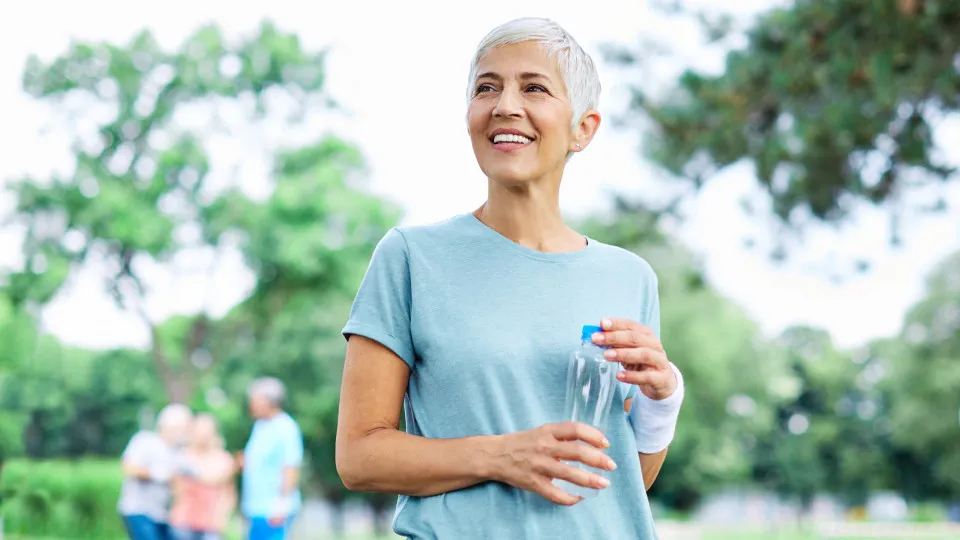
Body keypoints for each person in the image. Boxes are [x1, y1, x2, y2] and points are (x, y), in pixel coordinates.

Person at [335, 17, 686, 539]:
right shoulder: (412, 257)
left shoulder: (630, 278)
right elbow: (360, 457)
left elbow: (615, 483)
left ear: (583, 128)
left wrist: (664, 402)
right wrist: (503, 455)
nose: (504, 105)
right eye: (486, 87)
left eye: (534, 88)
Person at [238, 377, 303, 540]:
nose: (251, 405)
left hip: (273, 509)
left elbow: (291, 467)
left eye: (254, 400)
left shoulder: (285, 427)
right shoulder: (260, 425)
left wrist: (281, 504)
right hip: (256, 507)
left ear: (269, 401)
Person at [119, 403, 193, 540]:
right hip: (139, 510)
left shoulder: (178, 452)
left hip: (162, 515)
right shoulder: (145, 440)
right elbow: (128, 467)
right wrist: (156, 474)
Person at [169, 413, 237, 540]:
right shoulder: (182, 456)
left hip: (211, 524)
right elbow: (174, 487)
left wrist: (224, 516)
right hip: (183, 521)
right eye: (199, 430)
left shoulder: (223, 459)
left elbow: (228, 492)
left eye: (207, 430)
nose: (203, 435)